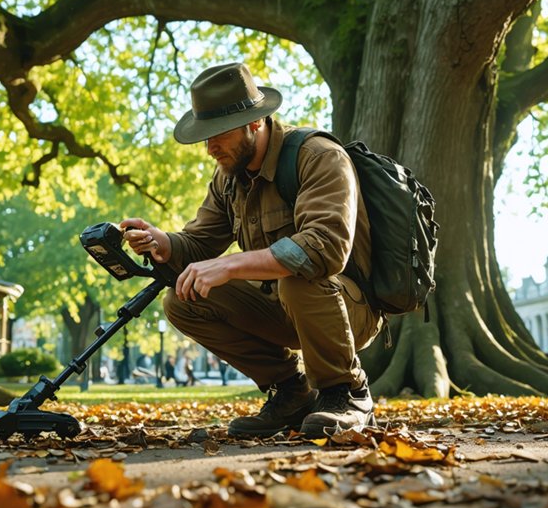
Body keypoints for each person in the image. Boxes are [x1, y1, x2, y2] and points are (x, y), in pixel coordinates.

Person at [121, 62, 381, 439]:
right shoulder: (229, 178)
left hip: (346, 309)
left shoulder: (317, 155)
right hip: (281, 307)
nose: (210, 148)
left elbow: (324, 248)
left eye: (219, 134)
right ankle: (292, 391)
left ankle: (347, 392)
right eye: (204, 136)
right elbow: (198, 246)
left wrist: (232, 265)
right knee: (182, 298)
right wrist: (162, 242)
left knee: (298, 275)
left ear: (255, 122)